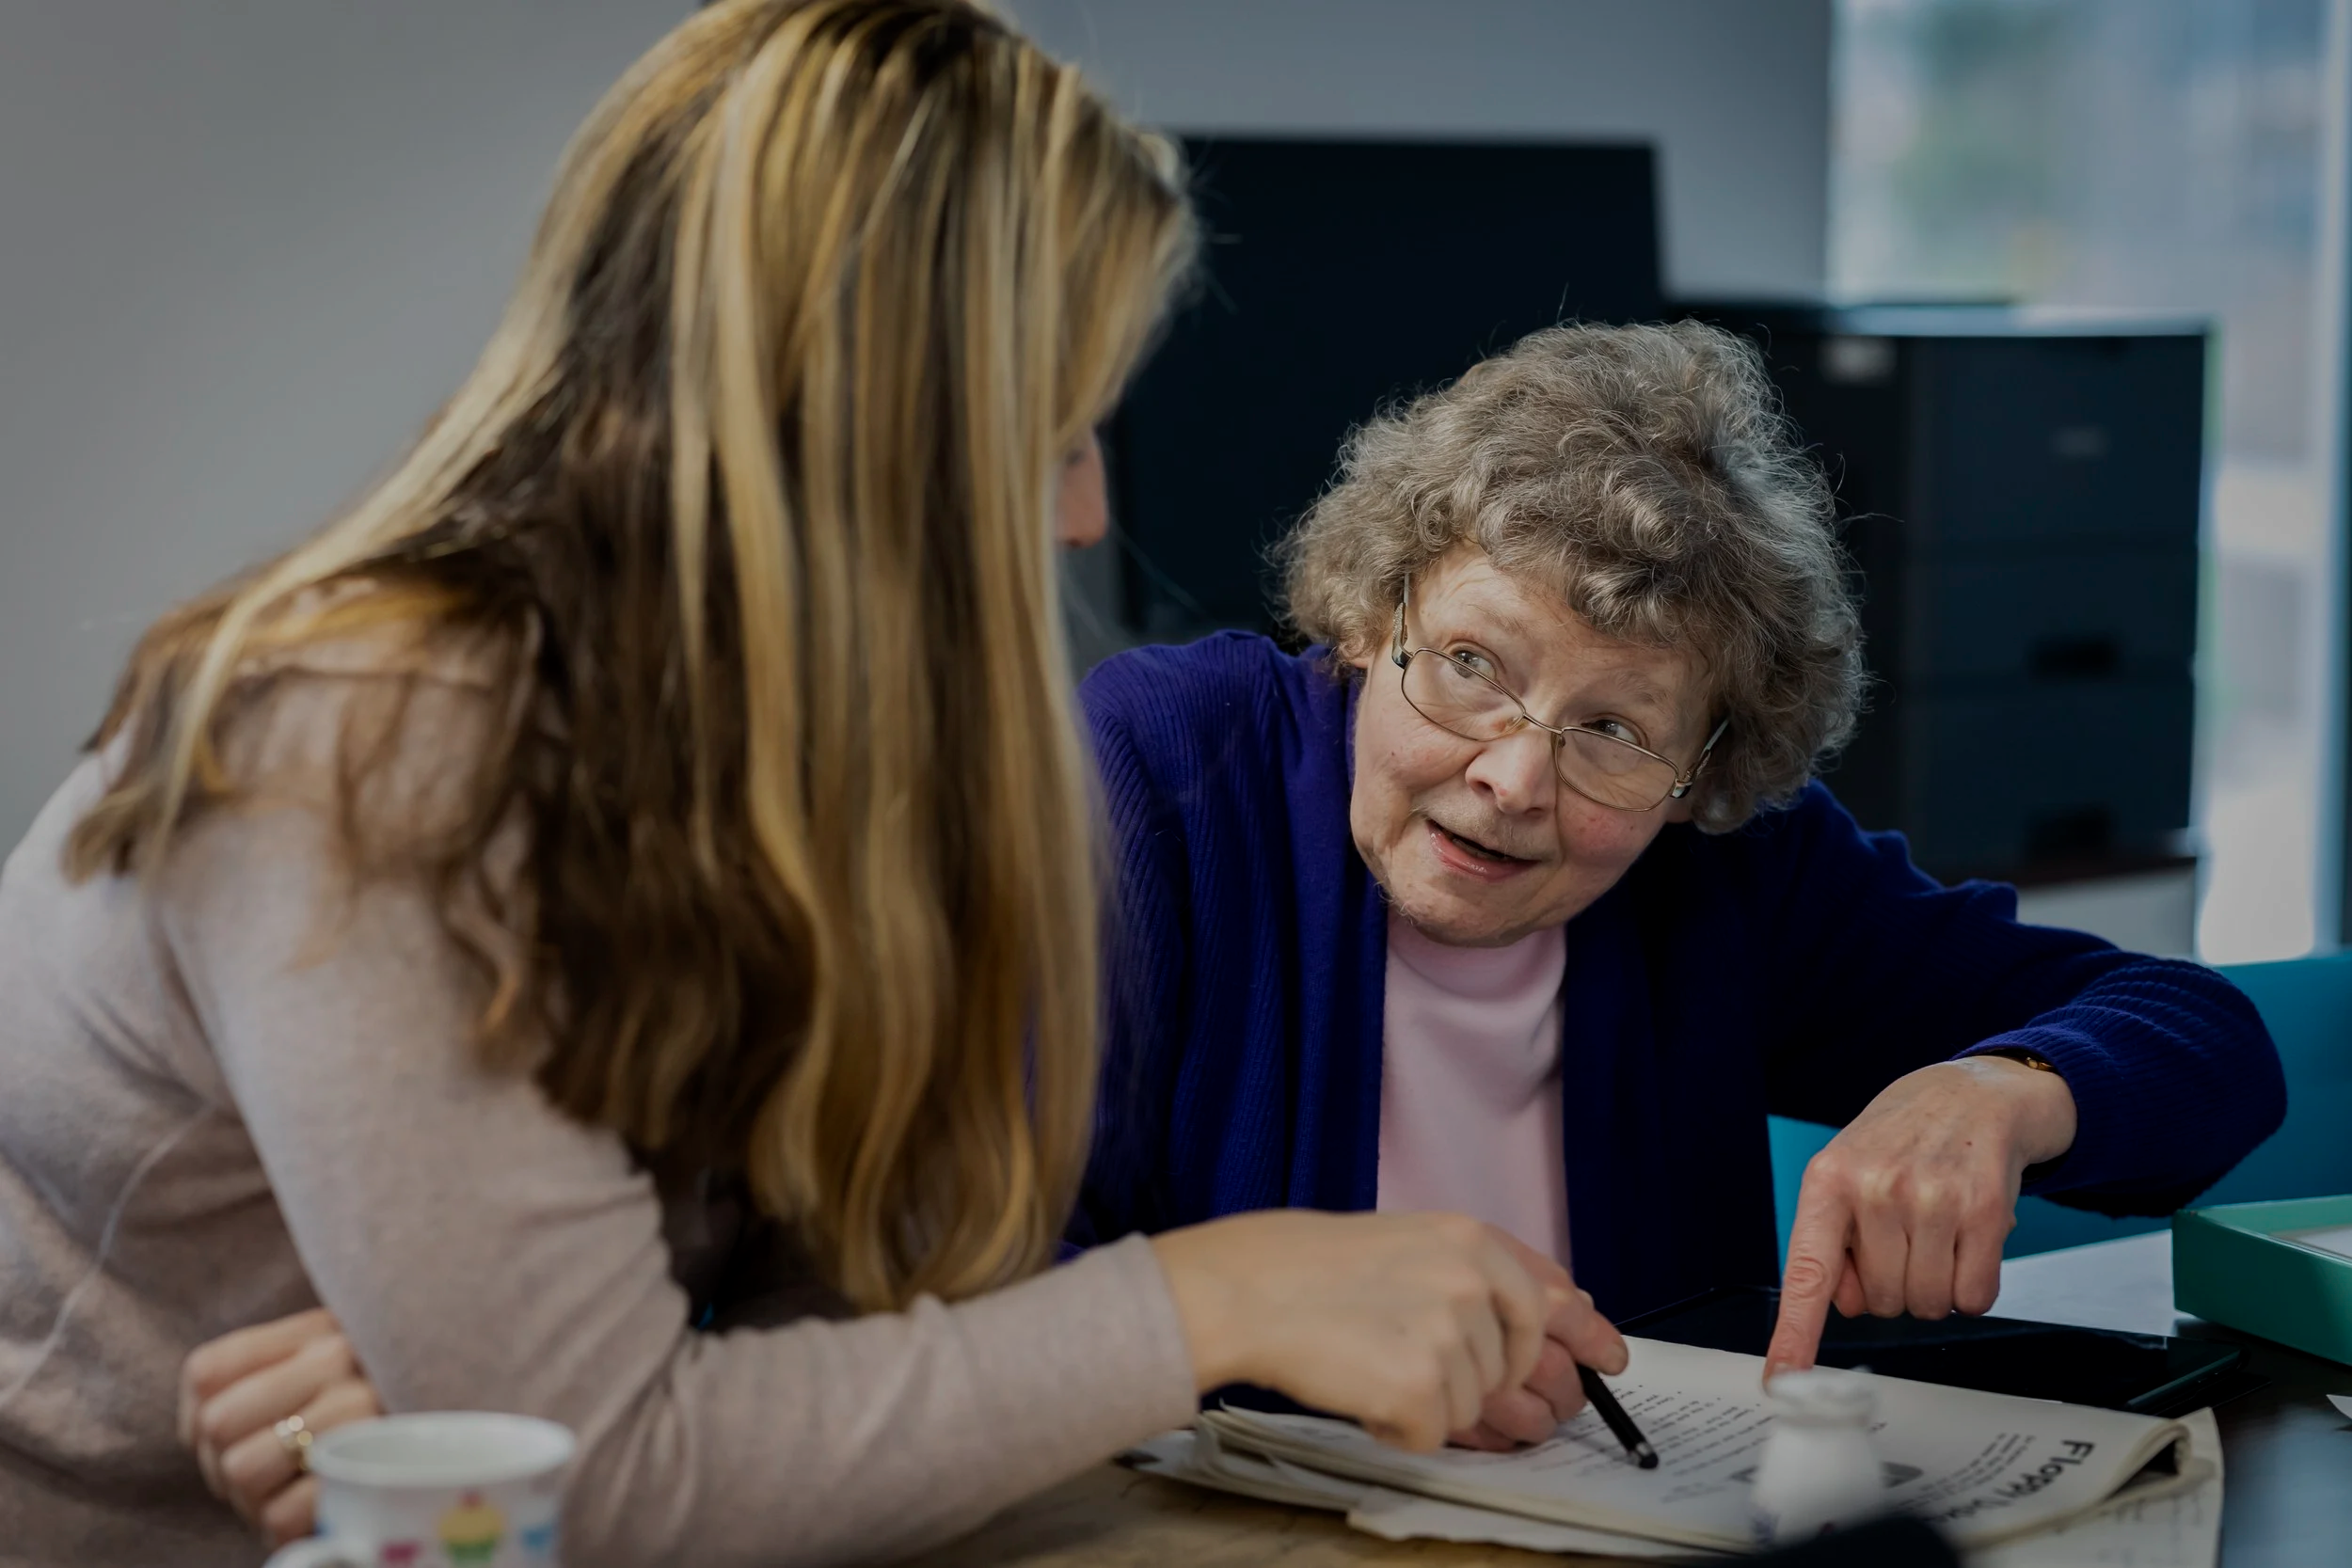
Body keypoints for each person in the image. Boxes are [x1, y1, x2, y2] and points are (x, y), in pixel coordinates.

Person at [0, 4, 1624, 1562]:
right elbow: (618, 1474)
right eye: (1056, 429)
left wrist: (549, 1389)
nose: (1081, 513)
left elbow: (856, 1325)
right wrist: (1224, 1295)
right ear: (878, 433)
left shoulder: (792, 761)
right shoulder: (368, 737)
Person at [1069, 319, 2284, 1386]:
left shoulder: (1727, 865)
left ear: (1705, 770)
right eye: (1471, 665)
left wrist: (2009, 1086)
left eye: (1612, 730)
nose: (1512, 779)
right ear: (1364, 617)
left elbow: (2204, 1038)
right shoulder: (1169, 770)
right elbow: (974, 1276)